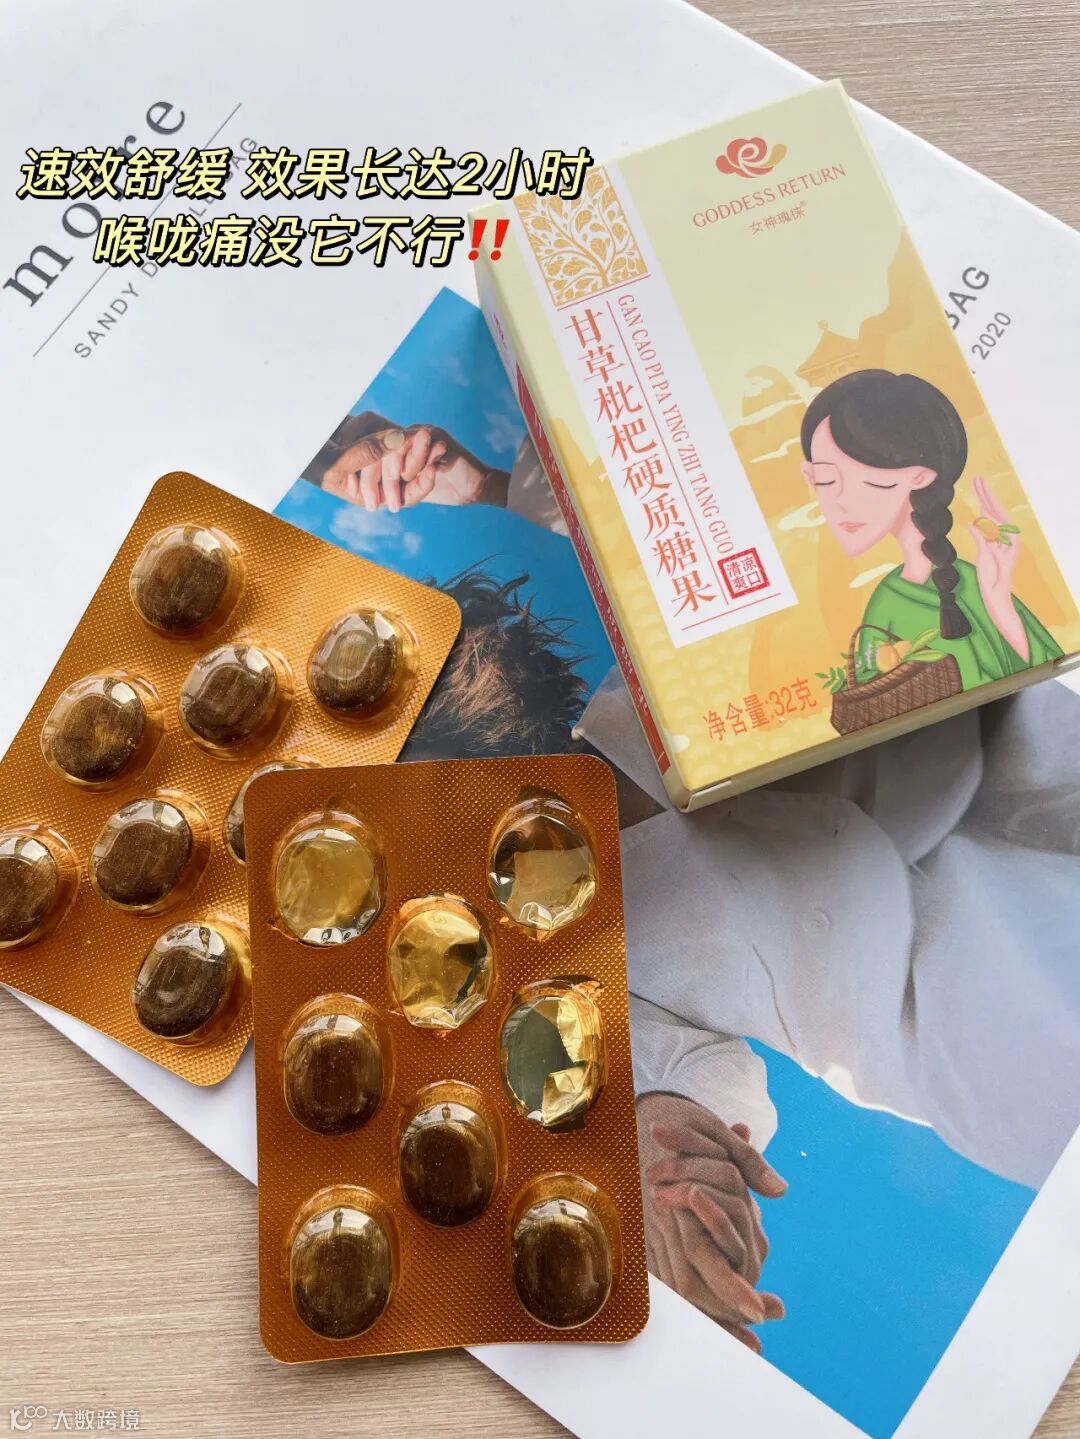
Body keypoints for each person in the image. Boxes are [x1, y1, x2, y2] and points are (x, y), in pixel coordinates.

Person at [801, 369, 1061, 684]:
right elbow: (869, 694)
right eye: (825, 478)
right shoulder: (888, 600)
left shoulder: (972, 582)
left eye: (870, 482)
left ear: (920, 477)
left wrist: (998, 600)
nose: (840, 502)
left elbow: (1046, 671)